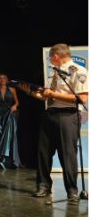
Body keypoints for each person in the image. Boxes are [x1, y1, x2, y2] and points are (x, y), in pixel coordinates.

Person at [28, 44, 87, 204]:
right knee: (43, 152)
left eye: (50, 58)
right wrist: (31, 92)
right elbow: (48, 97)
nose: (50, 61)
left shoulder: (78, 70)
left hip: (68, 116)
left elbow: (82, 98)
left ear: (55, 56)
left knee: (67, 154)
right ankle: (43, 186)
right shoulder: (53, 73)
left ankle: (72, 191)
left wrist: (52, 93)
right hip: (50, 114)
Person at [0, 73, 21, 169]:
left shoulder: (12, 90)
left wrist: (14, 106)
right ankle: (0, 159)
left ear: (7, 80)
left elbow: (17, 102)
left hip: (9, 113)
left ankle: (7, 160)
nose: (2, 80)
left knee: (7, 135)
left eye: (4, 78)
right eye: (0, 78)